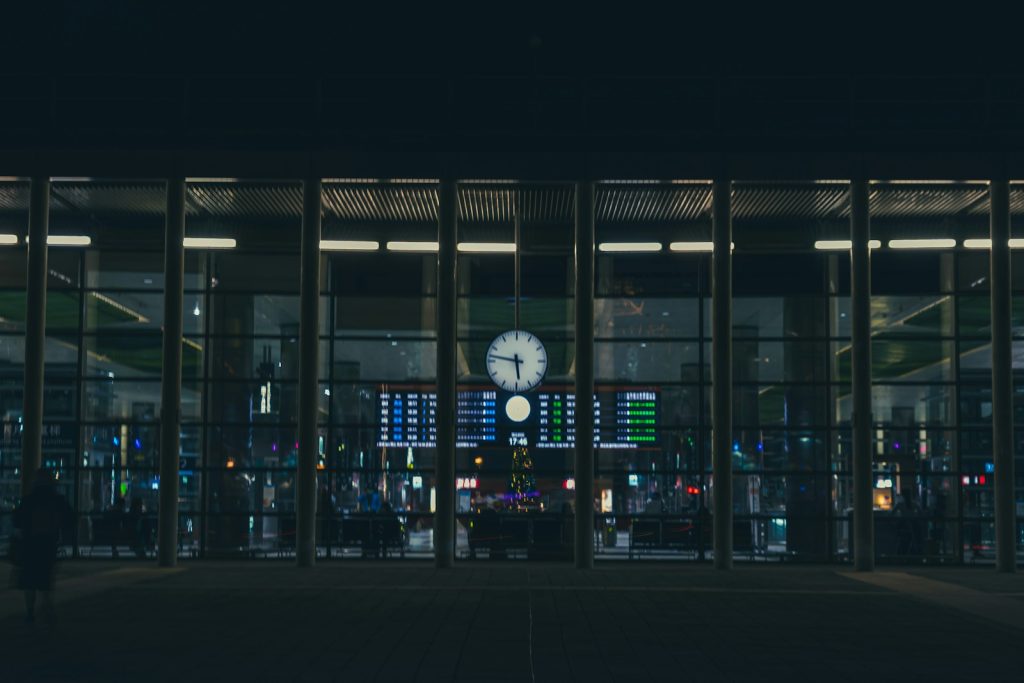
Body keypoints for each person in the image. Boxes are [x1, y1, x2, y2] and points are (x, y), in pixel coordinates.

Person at [12, 469, 73, 625]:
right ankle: (47, 606)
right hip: (48, 544)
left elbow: (17, 520)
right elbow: (68, 519)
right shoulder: (57, 499)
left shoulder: (29, 500)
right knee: (45, 579)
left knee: (29, 581)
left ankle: (30, 613)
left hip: (30, 545)